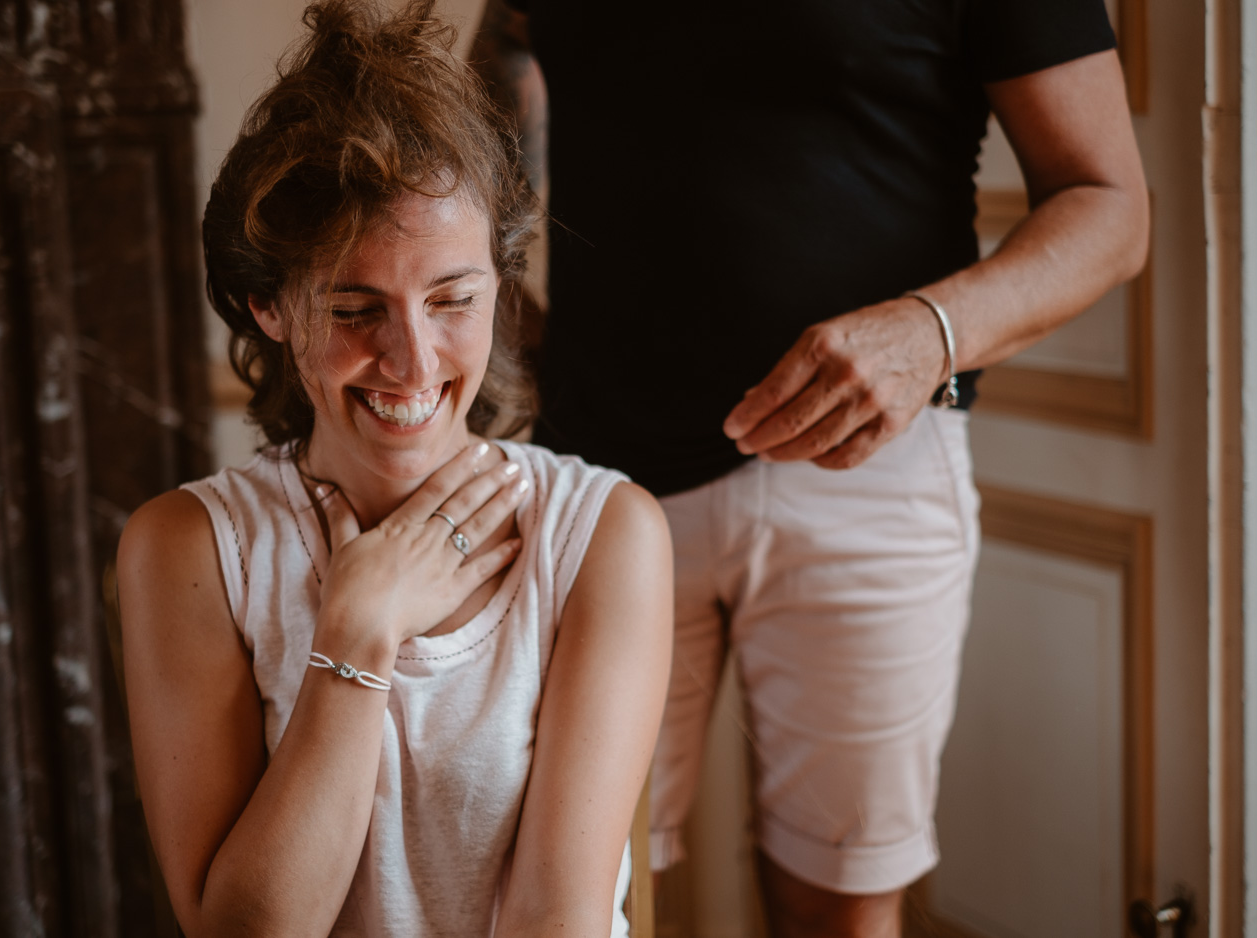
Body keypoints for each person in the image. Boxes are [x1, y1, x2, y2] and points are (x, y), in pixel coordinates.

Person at [473, 1, 1149, 935]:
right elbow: (507, 36)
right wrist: (488, 290)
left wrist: (931, 331)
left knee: (839, 905)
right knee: (565, 895)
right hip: (596, 481)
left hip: (869, 484)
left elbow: (1111, 207)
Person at [115, 3, 673, 935]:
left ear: (500, 284)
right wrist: (358, 636)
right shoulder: (192, 551)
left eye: (452, 298)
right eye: (353, 309)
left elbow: (555, 924)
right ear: (270, 308)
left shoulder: (605, 533)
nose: (414, 363)